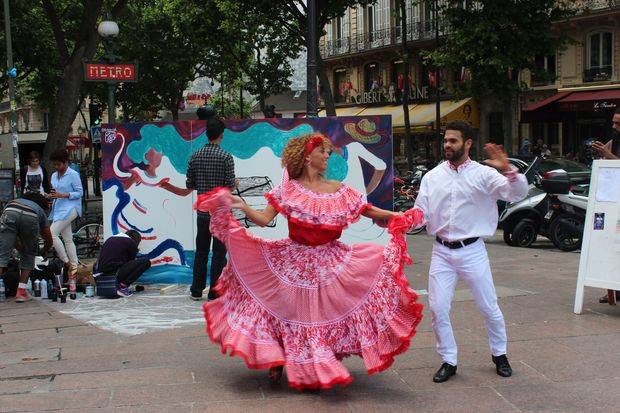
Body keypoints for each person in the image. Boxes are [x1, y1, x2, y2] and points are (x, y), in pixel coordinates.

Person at [196, 133, 424, 390]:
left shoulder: (338, 188)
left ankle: (319, 358)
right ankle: (279, 358)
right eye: (322, 151)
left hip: (330, 260)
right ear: (307, 156)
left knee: (325, 313)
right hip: (293, 262)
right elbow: (263, 218)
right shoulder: (288, 190)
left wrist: (395, 214)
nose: (327, 155)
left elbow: (366, 210)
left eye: (327, 151)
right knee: (288, 312)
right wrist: (241, 206)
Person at [414, 120, 528, 383]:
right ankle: (448, 360)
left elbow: (517, 193)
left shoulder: (483, 174)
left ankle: (500, 355)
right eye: (445, 140)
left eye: (453, 141)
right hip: (441, 251)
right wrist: (398, 219)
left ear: (467, 143)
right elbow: (421, 213)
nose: (447, 145)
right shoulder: (432, 177)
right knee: (438, 307)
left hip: (472, 250)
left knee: (488, 306)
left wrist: (508, 169)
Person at [186, 117, 235, 301]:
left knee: (201, 252)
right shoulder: (226, 157)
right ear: (221, 135)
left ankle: (196, 290)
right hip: (220, 214)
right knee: (219, 253)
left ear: (207, 135)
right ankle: (215, 292)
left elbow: (190, 183)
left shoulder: (195, 156)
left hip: (203, 213)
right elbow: (230, 186)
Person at [0, 193, 53, 302]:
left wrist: (19, 247)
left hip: (9, 212)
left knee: (2, 255)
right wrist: (43, 250)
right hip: (30, 217)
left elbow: (10, 238)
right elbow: (48, 239)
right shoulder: (39, 210)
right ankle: (21, 293)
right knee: (29, 254)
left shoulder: (14, 201)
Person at [48, 149, 83, 281]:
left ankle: (67, 262)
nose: (57, 167)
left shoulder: (73, 174)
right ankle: (74, 266)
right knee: (68, 239)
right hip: (59, 208)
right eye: (55, 164)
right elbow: (55, 192)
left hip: (71, 207)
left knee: (52, 234)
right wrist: (50, 196)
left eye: (59, 164)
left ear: (65, 162)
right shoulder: (53, 175)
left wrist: (65, 195)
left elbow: (80, 193)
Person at [95, 230, 151, 297]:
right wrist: (135, 250)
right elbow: (130, 262)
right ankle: (122, 287)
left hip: (100, 276)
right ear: (136, 240)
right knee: (146, 262)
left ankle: (119, 286)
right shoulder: (130, 242)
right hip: (115, 274)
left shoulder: (110, 239)